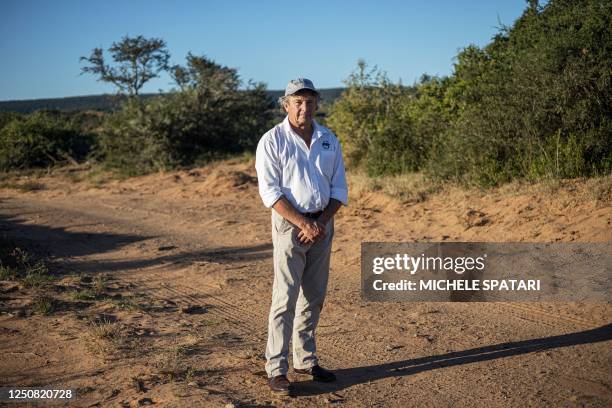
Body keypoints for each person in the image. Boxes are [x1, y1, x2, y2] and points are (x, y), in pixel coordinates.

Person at [255, 78, 348, 394]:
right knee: (285, 297)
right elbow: (270, 192)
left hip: (323, 225)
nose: (303, 107)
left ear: (317, 104)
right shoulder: (272, 141)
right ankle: (276, 369)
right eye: (297, 101)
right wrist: (302, 223)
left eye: (309, 101)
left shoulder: (328, 139)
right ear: (285, 104)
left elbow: (338, 188)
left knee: (314, 295)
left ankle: (305, 360)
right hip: (289, 226)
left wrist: (320, 222)